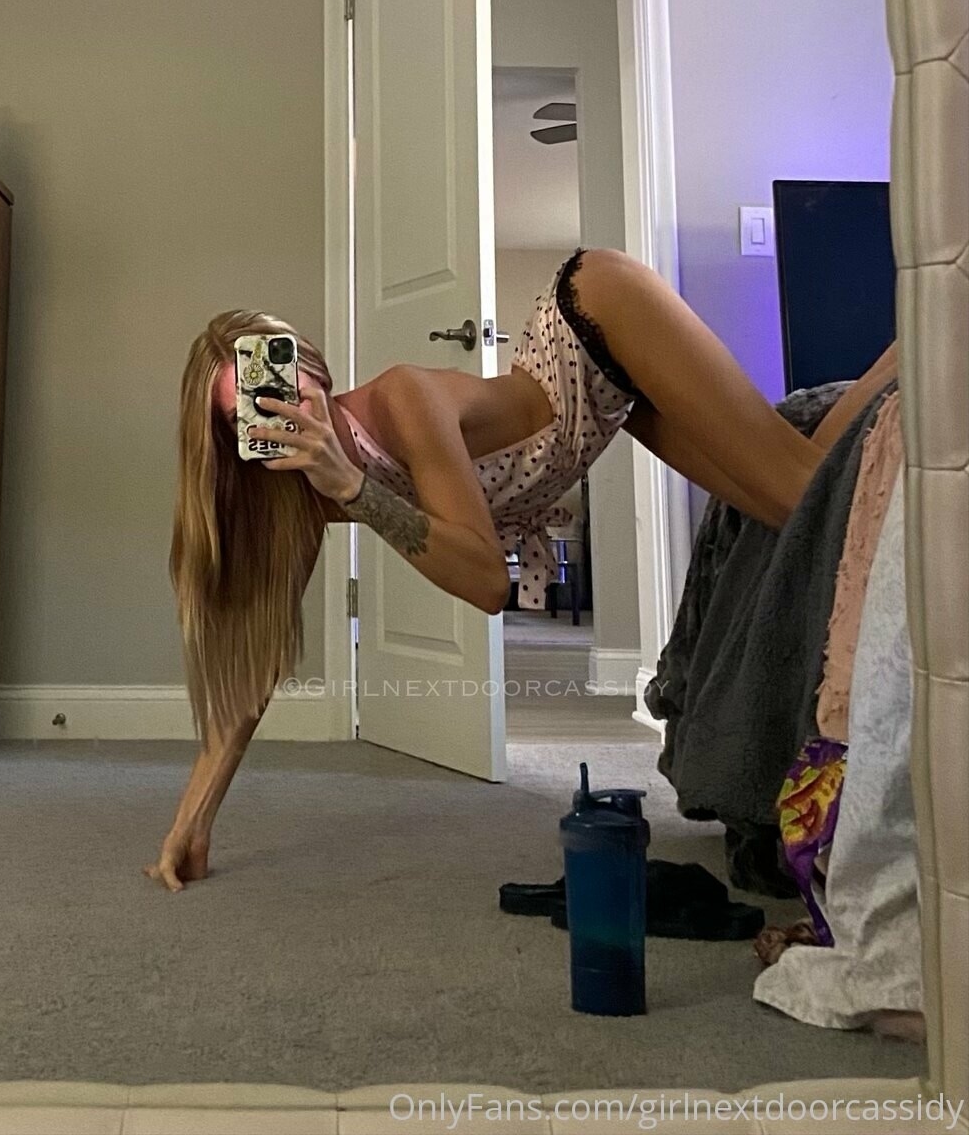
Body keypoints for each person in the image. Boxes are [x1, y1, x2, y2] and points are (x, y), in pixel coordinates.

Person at [145, 247, 896, 891]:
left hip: (598, 317)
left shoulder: (400, 402)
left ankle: (933, 310)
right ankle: (912, 351)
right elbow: (254, 667)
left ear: (308, 366)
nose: (282, 414)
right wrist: (192, 822)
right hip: (611, 402)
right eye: (249, 412)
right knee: (802, 502)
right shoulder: (303, 494)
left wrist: (355, 488)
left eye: (284, 387)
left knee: (802, 493)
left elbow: (487, 583)